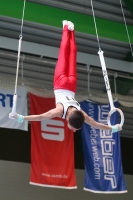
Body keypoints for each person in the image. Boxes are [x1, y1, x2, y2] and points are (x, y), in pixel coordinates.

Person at [9, 20, 121, 133]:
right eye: (74, 128)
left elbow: (97, 125)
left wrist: (115, 128)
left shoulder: (81, 114)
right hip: (60, 83)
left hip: (72, 85)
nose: (74, 131)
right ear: (67, 118)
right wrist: (21, 118)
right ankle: (66, 28)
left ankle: (71, 31)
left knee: (72, 56)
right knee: (63, 55)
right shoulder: (60, 111)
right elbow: (42, 117)